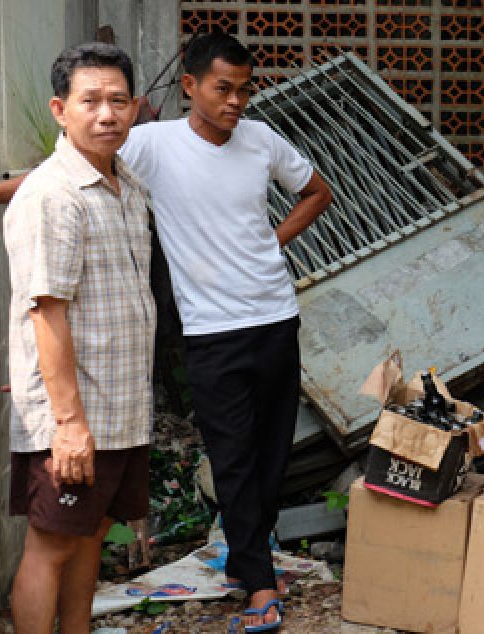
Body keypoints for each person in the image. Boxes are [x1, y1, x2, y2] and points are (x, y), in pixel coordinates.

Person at [119, 32, 332, 630]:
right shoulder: (152, 145)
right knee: (233, 458)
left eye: (244, 89)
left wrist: (273, 241)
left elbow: (317, 192)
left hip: (275, 319)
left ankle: (246, 559)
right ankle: (261, 587)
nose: (236, 102)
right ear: (189, 86)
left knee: (270, 457)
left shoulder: (261, 139)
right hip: (212, 333)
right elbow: (68, 173)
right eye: (222, 89)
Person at [4, 42, 154, 633]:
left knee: (90, 536)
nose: (106, 114)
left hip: (119, 407)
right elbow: (46, 313)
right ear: (59, 109)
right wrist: (67, 424)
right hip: (72, 419)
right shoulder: (53, 195)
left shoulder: (128, 187)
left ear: (137, 108)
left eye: (118, 101)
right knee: (53, 545)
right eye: (89, 101)